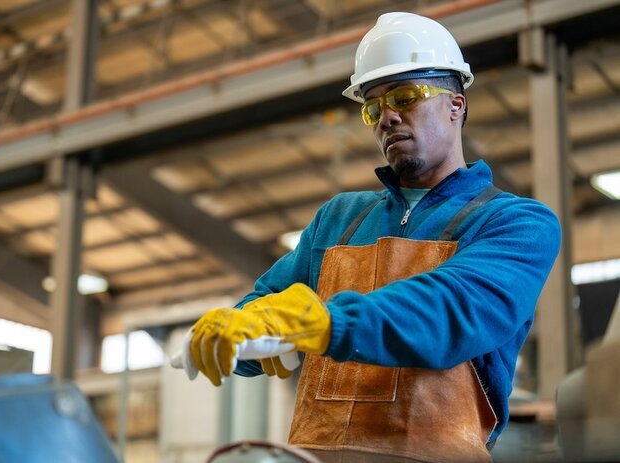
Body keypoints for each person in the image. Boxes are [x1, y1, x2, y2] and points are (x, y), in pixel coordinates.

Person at [176, 11, 561, 463]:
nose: (388, 117)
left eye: (405, 96)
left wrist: (323, 323)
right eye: (374, 107)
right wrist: (230, 336)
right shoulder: (339, 220)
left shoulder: (517, 223)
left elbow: (450, 310)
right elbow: (265, 309)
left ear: (456, 104)